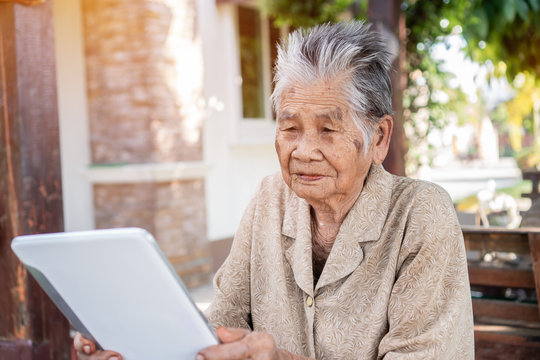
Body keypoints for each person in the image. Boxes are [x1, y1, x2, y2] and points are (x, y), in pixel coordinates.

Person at [75, 21, 474, 360]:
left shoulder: (420, 215)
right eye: (289, 128)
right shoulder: (269, 199)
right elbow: (221, 325)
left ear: (380, 137)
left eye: (328, 129)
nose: (303, 151)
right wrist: (140, 345)